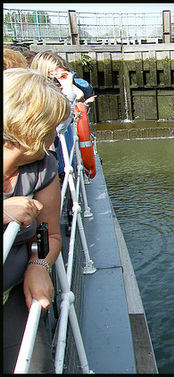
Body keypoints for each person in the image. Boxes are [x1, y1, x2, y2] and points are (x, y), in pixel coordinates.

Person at [3, 68, 71, 373]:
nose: (55, 135)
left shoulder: (42, 168)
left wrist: (39, 265)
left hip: (12, 296)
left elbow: (48, 234)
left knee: (36, 366)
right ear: (28, 126)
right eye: (49, 127)